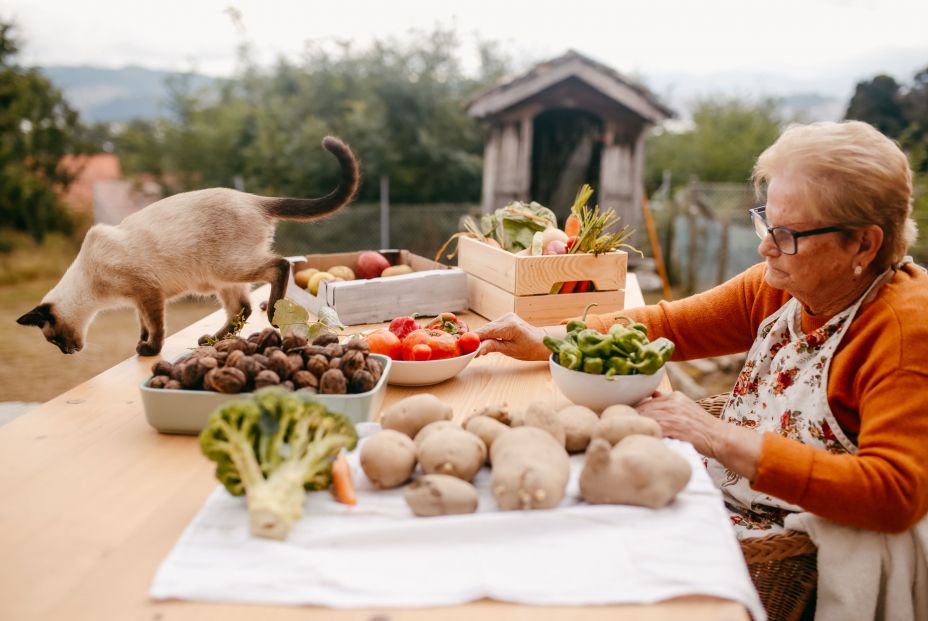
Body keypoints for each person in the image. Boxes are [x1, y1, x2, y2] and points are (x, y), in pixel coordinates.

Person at [475, 120, 928, 539]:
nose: (765, 246)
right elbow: (668, 325)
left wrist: (715, 436)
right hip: (722, 495)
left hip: (787, 542)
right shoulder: (788, 286)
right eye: (765, 221)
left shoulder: (903, 331)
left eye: (788, 234)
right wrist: (550, 339)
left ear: (865, 244)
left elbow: (894, 496)